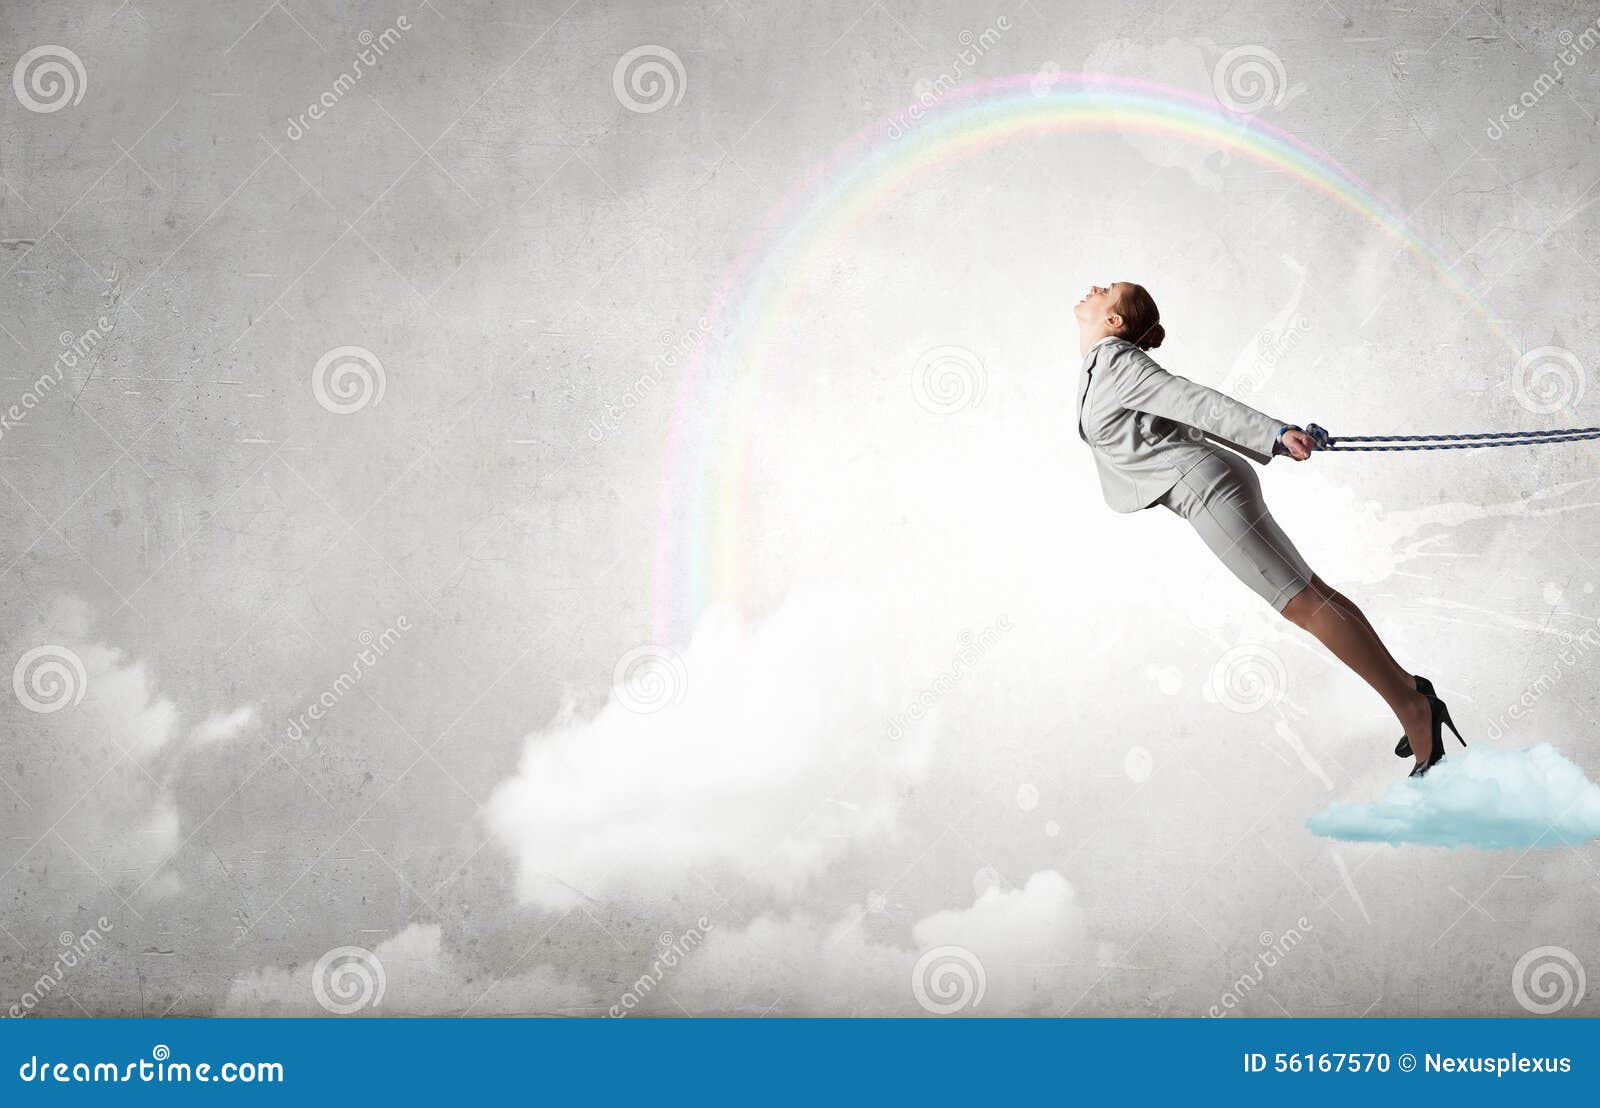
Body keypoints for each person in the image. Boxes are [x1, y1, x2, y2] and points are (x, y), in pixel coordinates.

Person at [1073, 282, 1464, 776]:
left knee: (1302, 605)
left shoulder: (1116, 363)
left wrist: (1276, 434)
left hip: (1206, 492)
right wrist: (1273, 435)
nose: (1094, 288)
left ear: (1113, 322)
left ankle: (1413, 710)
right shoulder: (1103, 365)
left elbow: (1196, 402)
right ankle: (1411, 691)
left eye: (1106, 290)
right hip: (1209, 483)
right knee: (1314, 594)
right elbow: (1184, 411)